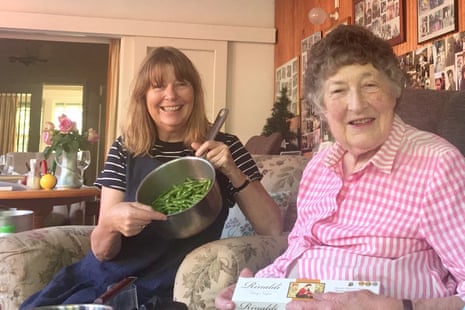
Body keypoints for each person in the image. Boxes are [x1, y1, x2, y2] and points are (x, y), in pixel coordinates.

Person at [215, 24, 465, 310]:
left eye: (370, 85)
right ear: (321, 108)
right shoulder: (320, 166)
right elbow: (297, 252)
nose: (357, 105)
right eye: (338, 90)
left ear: (394, 91)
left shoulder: (436, 165)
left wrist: (401, 307)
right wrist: (255, 290)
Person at [20, 46, 282, 309]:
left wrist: (232, 171)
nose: (171, 95)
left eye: (181, 84)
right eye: (158, 86)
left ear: (194, 92)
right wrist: (111, 223)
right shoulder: (125, 148)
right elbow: (101, 251)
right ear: (144, 96)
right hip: (107, 276)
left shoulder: (226, 147)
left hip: (174, 281)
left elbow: (272, 227)